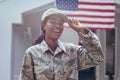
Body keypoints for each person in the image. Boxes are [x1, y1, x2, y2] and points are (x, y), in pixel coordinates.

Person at [19, 8, 104, 80]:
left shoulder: (73, 51)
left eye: (61, 23)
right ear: (43, 25)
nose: (58, 26)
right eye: (53, 22)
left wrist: (81, 30)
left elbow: (97, 57)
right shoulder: (32, 53)